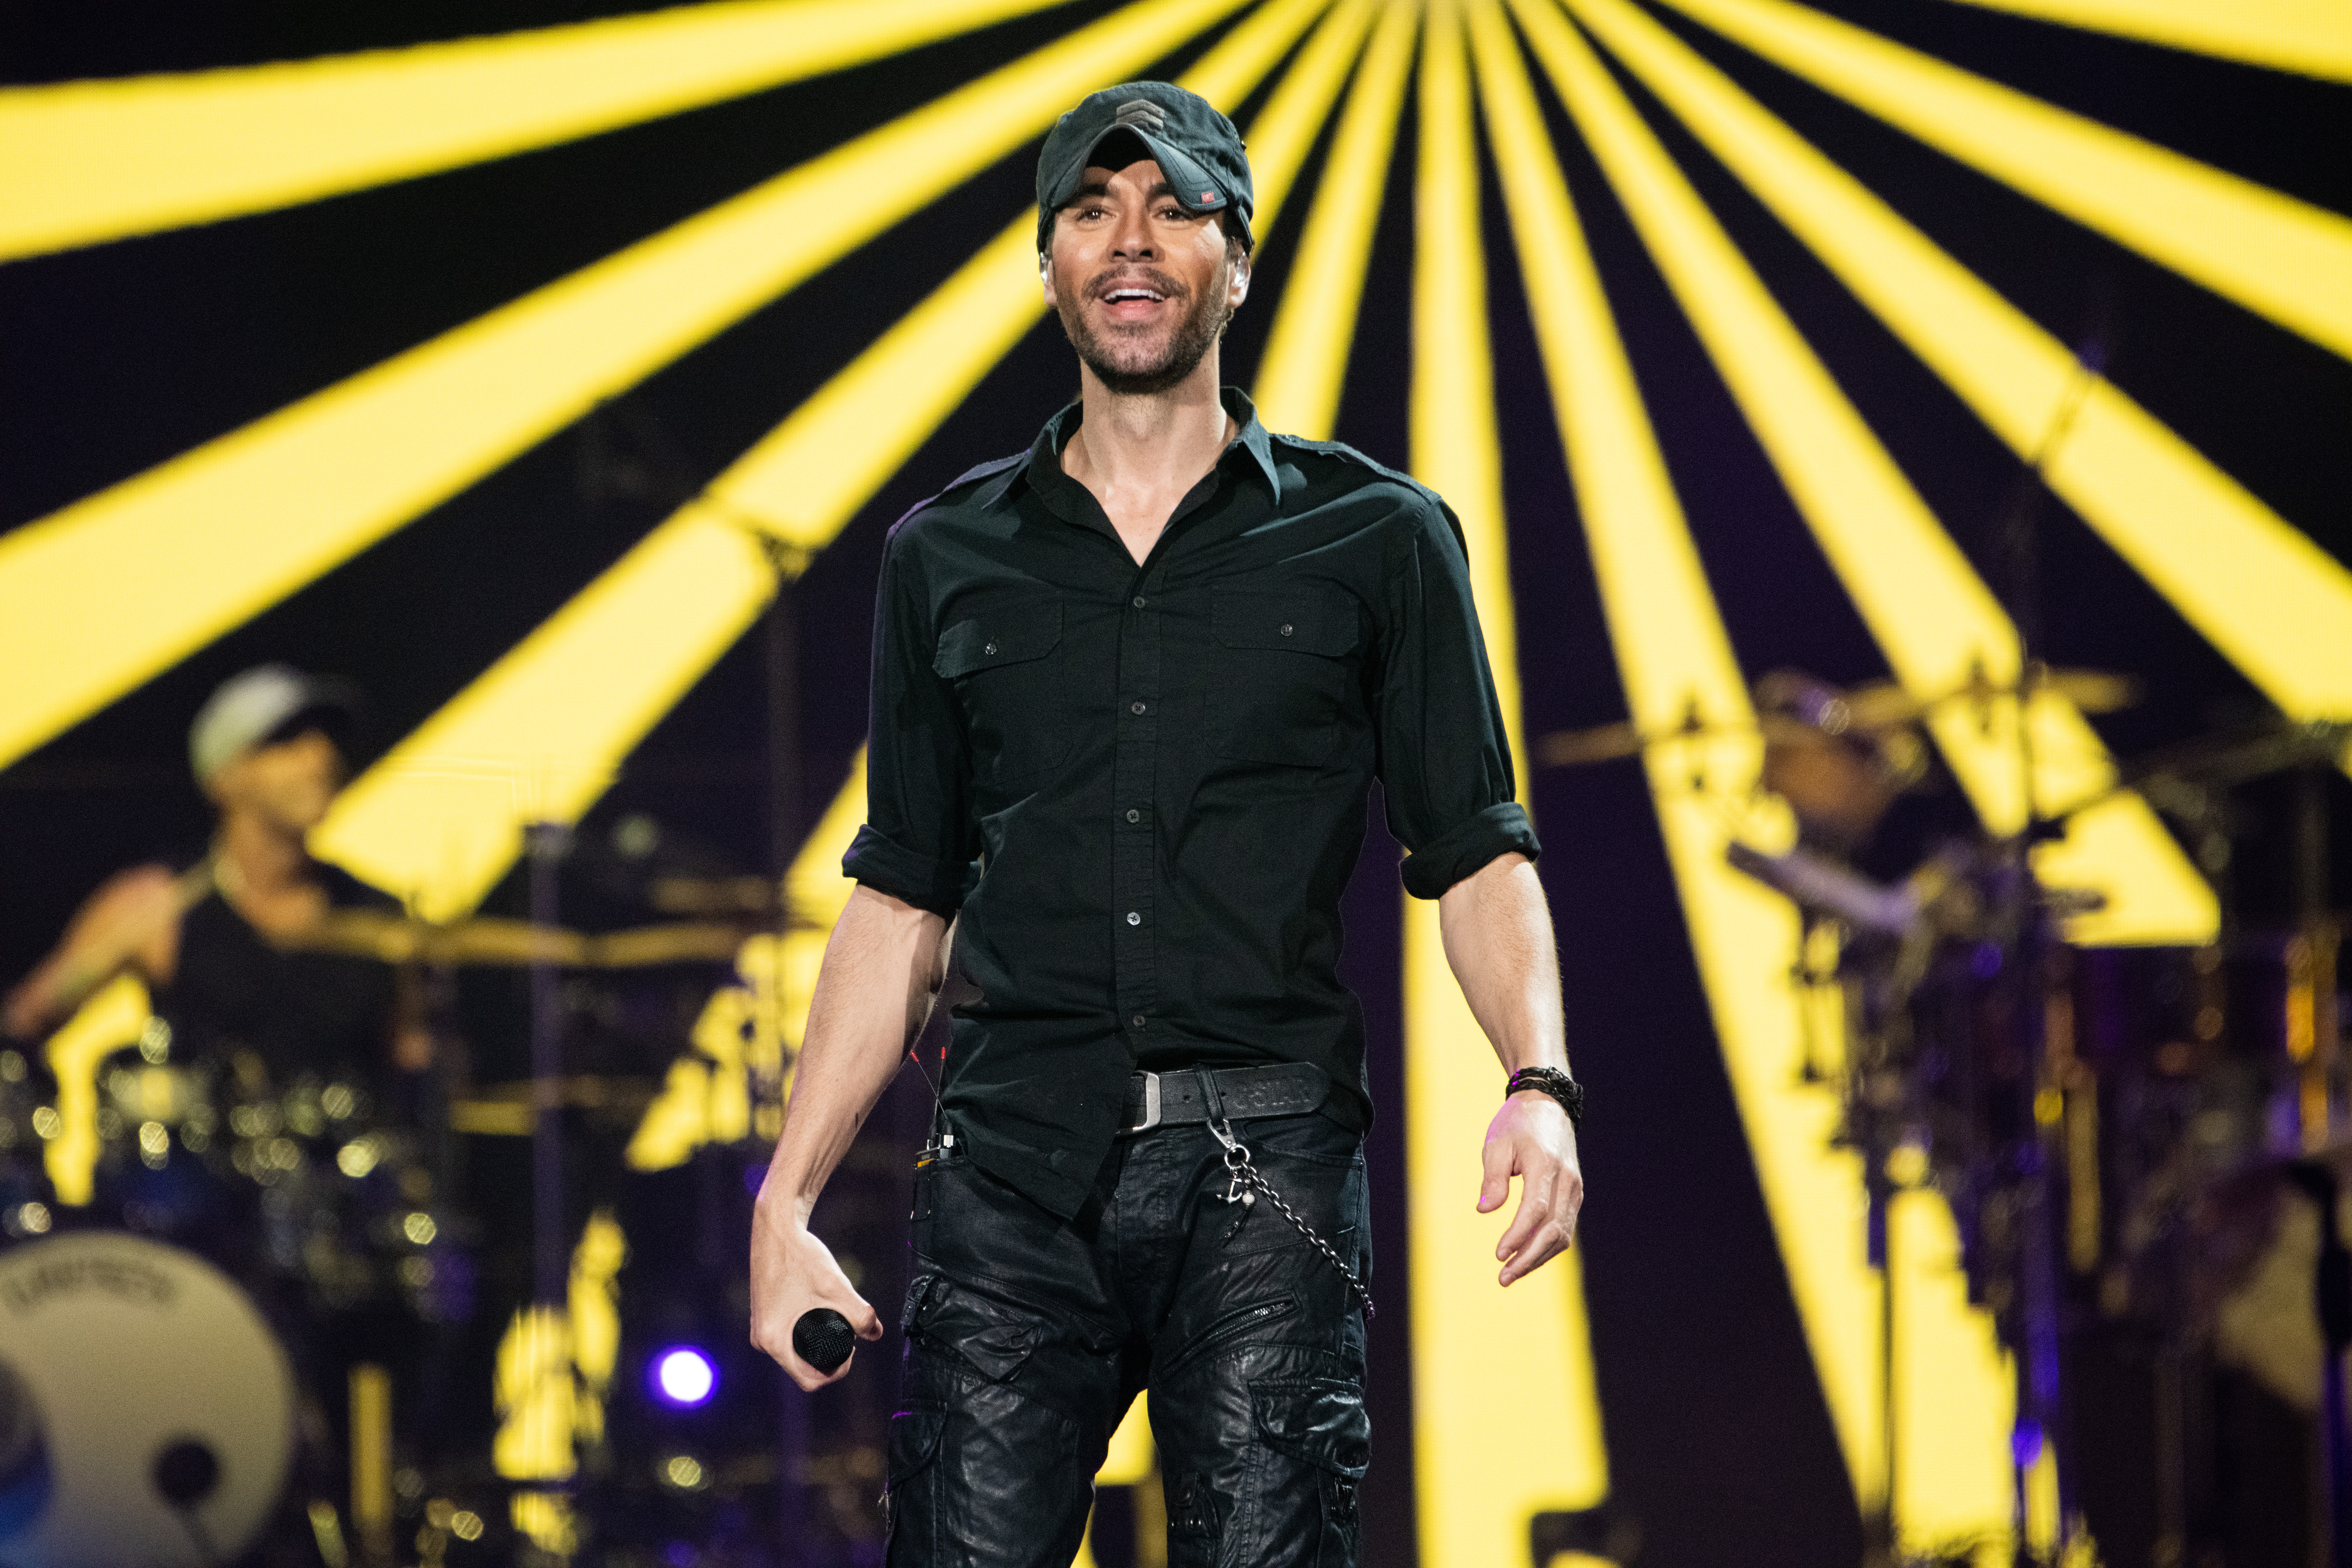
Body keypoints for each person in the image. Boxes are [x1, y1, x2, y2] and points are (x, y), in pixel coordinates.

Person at [748, 82, 1586, 1564]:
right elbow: (900, 898)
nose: (1129, 244)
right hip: (1011, 1169)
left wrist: (1540, 1081)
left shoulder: (1380, 538)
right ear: (1051, 258)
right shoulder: (945, 559)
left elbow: (1473, 847)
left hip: (1268, 1171)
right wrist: (787, 1196)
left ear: (1236, 259)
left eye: (1172, 208)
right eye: (1091, 209)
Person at [3, 663, 427, 1126]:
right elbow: (28, 1019)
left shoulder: (382, 919)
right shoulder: (158, 906)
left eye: (325, 738)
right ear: (225, 775)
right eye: (286, 741)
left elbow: (417, 1071)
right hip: (199, 1190)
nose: (320, 757)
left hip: (342, 1189)